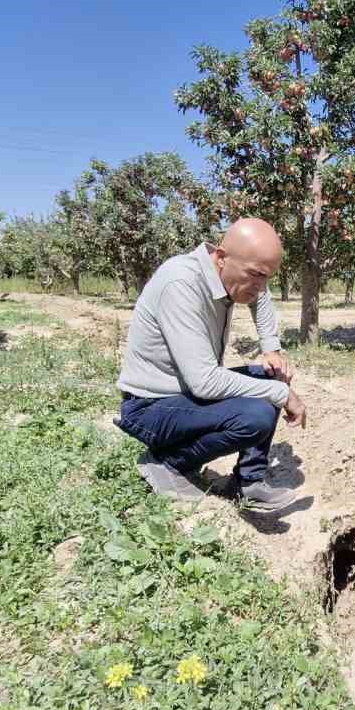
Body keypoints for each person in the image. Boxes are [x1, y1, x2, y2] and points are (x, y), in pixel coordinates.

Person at [113, 218, 308, 511]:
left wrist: (271, 348)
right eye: (256, 275)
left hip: (185, 394)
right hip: (151, 405)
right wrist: (282, 394)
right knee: (255, 414)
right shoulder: (182, 284)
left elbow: (261, 297)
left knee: (268, 379)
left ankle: (247, 483)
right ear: (220, 257)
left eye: (266, 277)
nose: (260, 287)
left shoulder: (232, 275)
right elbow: (204, 382)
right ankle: (167, 462)